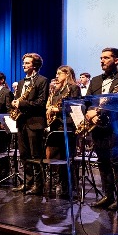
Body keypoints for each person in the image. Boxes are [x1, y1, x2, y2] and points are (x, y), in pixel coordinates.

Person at [82, 47, 118, 212]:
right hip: (98, 127)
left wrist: (100, 112)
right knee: (102, 162)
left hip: (116, 127)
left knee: (117, 162)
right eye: (101, 58)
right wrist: (90, 114)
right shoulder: (95, 80)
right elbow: (87, 101)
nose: (102, 60)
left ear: (116, 60)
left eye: (106, 58)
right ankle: (108, 195)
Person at [11, 53, 49, 195]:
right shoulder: (21, 82)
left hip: (35, 122)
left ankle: (39, 185)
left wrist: (22, 103)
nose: (24, 65)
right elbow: (18, 100)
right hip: (22, 122)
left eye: (27, 63)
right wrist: (15, 103)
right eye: (24, 63)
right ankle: (28, 183)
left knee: (36, 155)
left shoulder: (42, 80)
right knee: (24, 154)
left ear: (35, 65)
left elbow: (41, 102)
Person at [44, 65, 81, 199]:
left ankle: (69, 186)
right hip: (55, 126)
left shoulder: (74, 88)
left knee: (67, 157)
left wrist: (55, 110)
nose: (57, 76)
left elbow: (74, 106)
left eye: (59, 73)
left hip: (67, 126)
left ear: (67, 74)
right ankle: (59, 183)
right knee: (56, 157)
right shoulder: (57, 90)